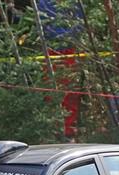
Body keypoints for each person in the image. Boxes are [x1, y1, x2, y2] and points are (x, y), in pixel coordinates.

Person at [36, 0, 84, 140]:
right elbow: (40, 22)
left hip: (71, 49)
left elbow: (80, 22)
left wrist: (71, 37)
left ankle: (69, 131)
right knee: (51, 91)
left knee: (71, 91)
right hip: (50, 50)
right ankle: (54, 129)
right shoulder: (43, 2)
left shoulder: (74, 3)